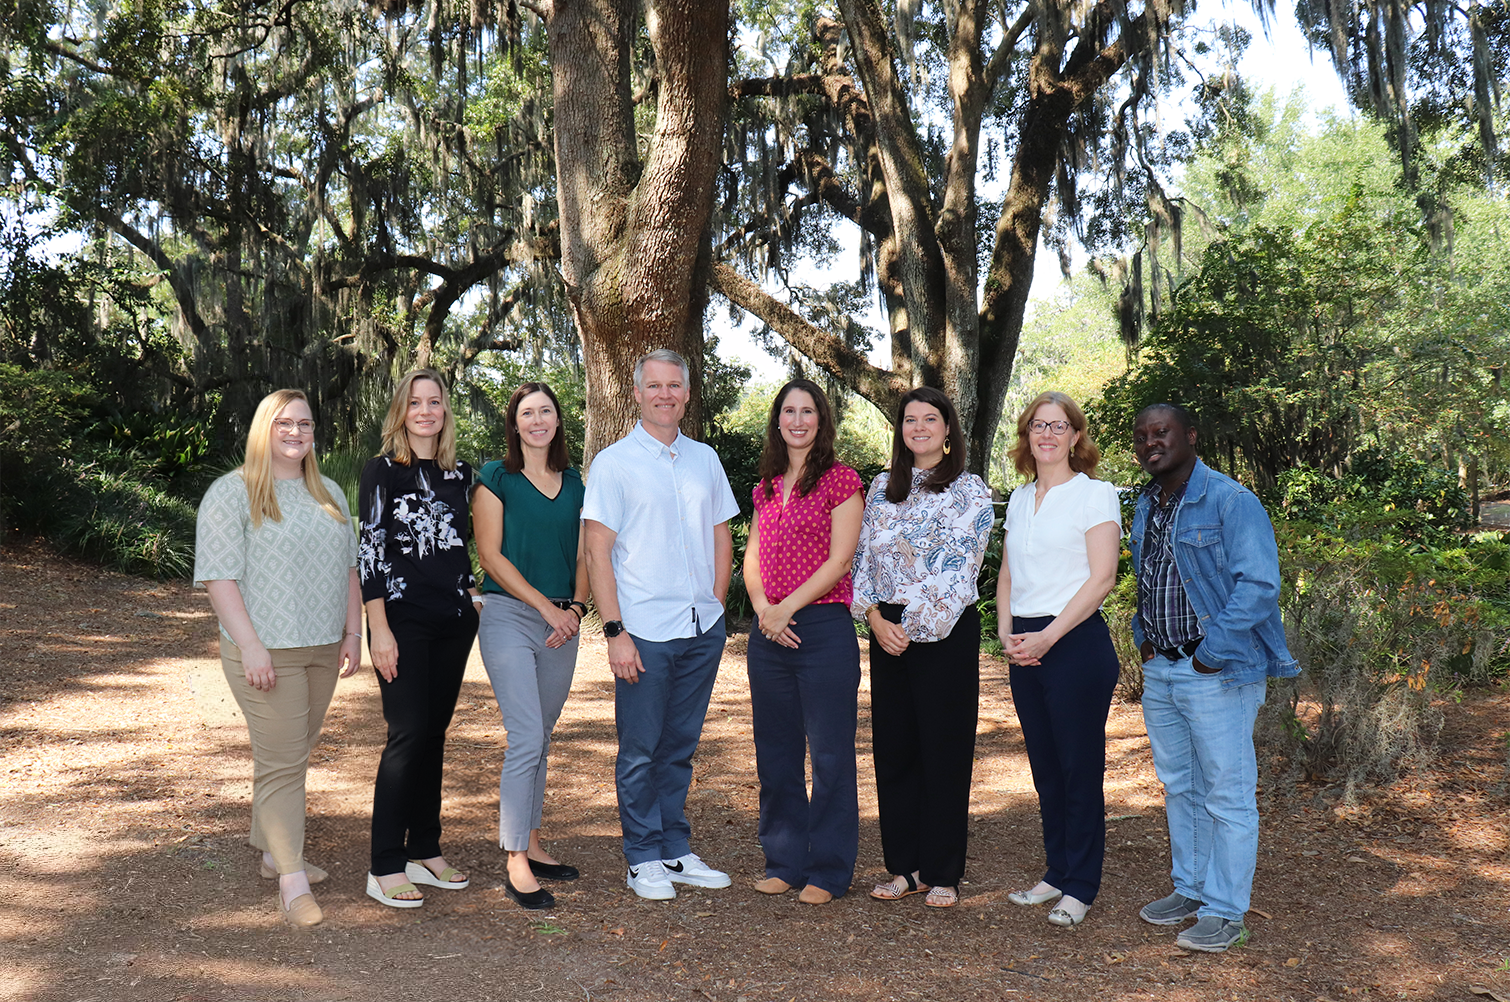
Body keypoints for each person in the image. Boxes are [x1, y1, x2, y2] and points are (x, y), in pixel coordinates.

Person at [1130, 403, 1298, 952]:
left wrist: (1210, 652)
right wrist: (1147, 643)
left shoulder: (1230, 500)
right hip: (1163, 670)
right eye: (1143, 436)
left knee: (1226, 795)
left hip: (1217, 673)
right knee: (1181, 786)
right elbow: (1149, 580)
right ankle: (1193, 888)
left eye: (1163, 432)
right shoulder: (1146, 504)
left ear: (1190, 437)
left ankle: (1226, 911)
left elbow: (1259, 585)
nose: (1152, 442)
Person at [194, 389, 362, 927]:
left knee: (294, 749)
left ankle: (270, 850)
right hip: (266, 649)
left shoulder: (327, 491)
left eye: (306, 424)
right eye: (285, 423)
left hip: (320, 646)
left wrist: (352, 633)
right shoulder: (232, 492)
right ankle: (291, 879)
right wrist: (251, 646)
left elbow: (351, 571)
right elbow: (219, 576)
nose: (296, 433)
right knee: (284, 761)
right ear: (265, 428)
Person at [582, 348, 741, 901]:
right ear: (637, 393)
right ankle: (642, 855)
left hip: (701, 629)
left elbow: (721, 533)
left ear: (688, 393)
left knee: (679, 747)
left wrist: (716, 604)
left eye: (675, 385)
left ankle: (675, 848)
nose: (665, 394)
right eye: (654, 386)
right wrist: (614, 630)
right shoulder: (613, 464)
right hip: (643, 631)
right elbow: (597, 550)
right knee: (641, 749)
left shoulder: (705, 459)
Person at [851, 386, 993, 910]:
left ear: (948, 429)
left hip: (944, 632)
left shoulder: (970, 490)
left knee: (944, 751)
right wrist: (872, 618)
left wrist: (910, 625)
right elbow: (863, 559)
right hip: (885, 629)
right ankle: (903, 868)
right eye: (910, 420)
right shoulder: (884, 485)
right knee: (894, 752)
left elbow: (963, 567)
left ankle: (943, 873)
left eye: (930, 419)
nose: (919, 428)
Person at [996, 392, 1122, 928]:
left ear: (1075, 436)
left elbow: (1102, 579)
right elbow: (1006, 574)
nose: (1047, 434)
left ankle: (1082, 885)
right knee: (1047, 770)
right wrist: (1005, 632)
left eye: (1059, 425)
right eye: (1037, 425)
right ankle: (1056, 872)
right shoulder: (1022, 499)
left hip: (1073, 644)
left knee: (1078, 769)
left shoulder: (1096, 495)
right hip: (1025, 645)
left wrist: (1047, 636)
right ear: (1026, 436)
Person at [359, 369, 480, 909]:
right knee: (406, 734)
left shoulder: (463, 475)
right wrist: (378, 628)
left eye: (434, 402)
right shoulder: (381, 472)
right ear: (401, 412)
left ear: (445, 411)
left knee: (434, 734)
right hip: (401, 620)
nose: (426, 411)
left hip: (454, 619)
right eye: (415, 403)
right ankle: (384, 862)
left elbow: (468, 544)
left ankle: (424, 848)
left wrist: (473, 592)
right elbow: (371, 553)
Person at [743, 379, 865, 905]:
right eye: (788, 411)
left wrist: (786, 608)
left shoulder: (842, 481)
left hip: (821, 630)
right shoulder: (766, 485)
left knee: (831, 755)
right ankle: (785, 860)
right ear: (777, 420)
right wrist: (764, 612)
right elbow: (751, 558)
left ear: (822, 420)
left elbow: (840, 560)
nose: (797, 420)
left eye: (807, 411)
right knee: (776, 752)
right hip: (769, 632)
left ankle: (830, 871)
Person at [473, 381, 590, 911]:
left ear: (558, 421)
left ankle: (534, 841)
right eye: (527, 413)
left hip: (564, 624)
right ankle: (515, 858)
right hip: (509, 618)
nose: (537, 420)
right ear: (514, 424)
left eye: (546, 411)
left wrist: (576, 610)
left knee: (542, 735)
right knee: (524, 736)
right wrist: (547, 609)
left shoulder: (575, 483)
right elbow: (492, 558)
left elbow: (587, 556)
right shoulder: (496, 478)